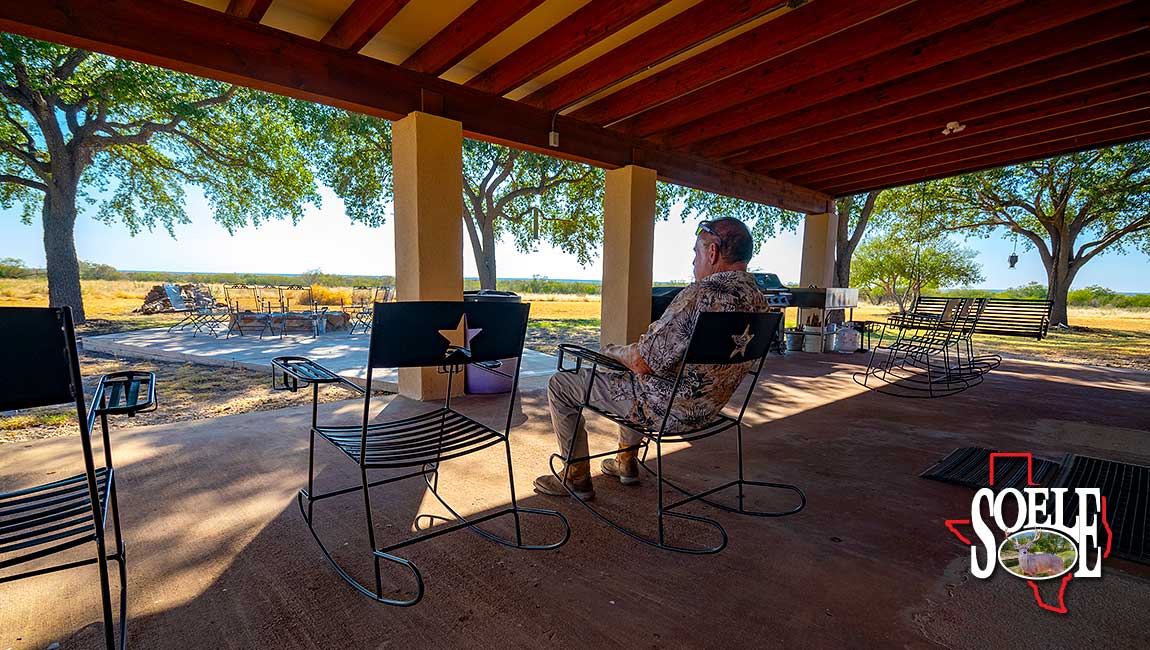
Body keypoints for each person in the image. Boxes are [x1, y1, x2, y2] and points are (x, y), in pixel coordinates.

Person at [534, 217, 767, 500]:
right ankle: (626, 462)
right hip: (708, 410)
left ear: (713, 252)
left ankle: (575, 476)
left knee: (561, 384)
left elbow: (643, 361)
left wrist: (610, 350)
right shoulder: (759, 301)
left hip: (666, 411)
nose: (693, 261)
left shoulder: (700, 296)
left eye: (696, 252)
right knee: (632, 375)